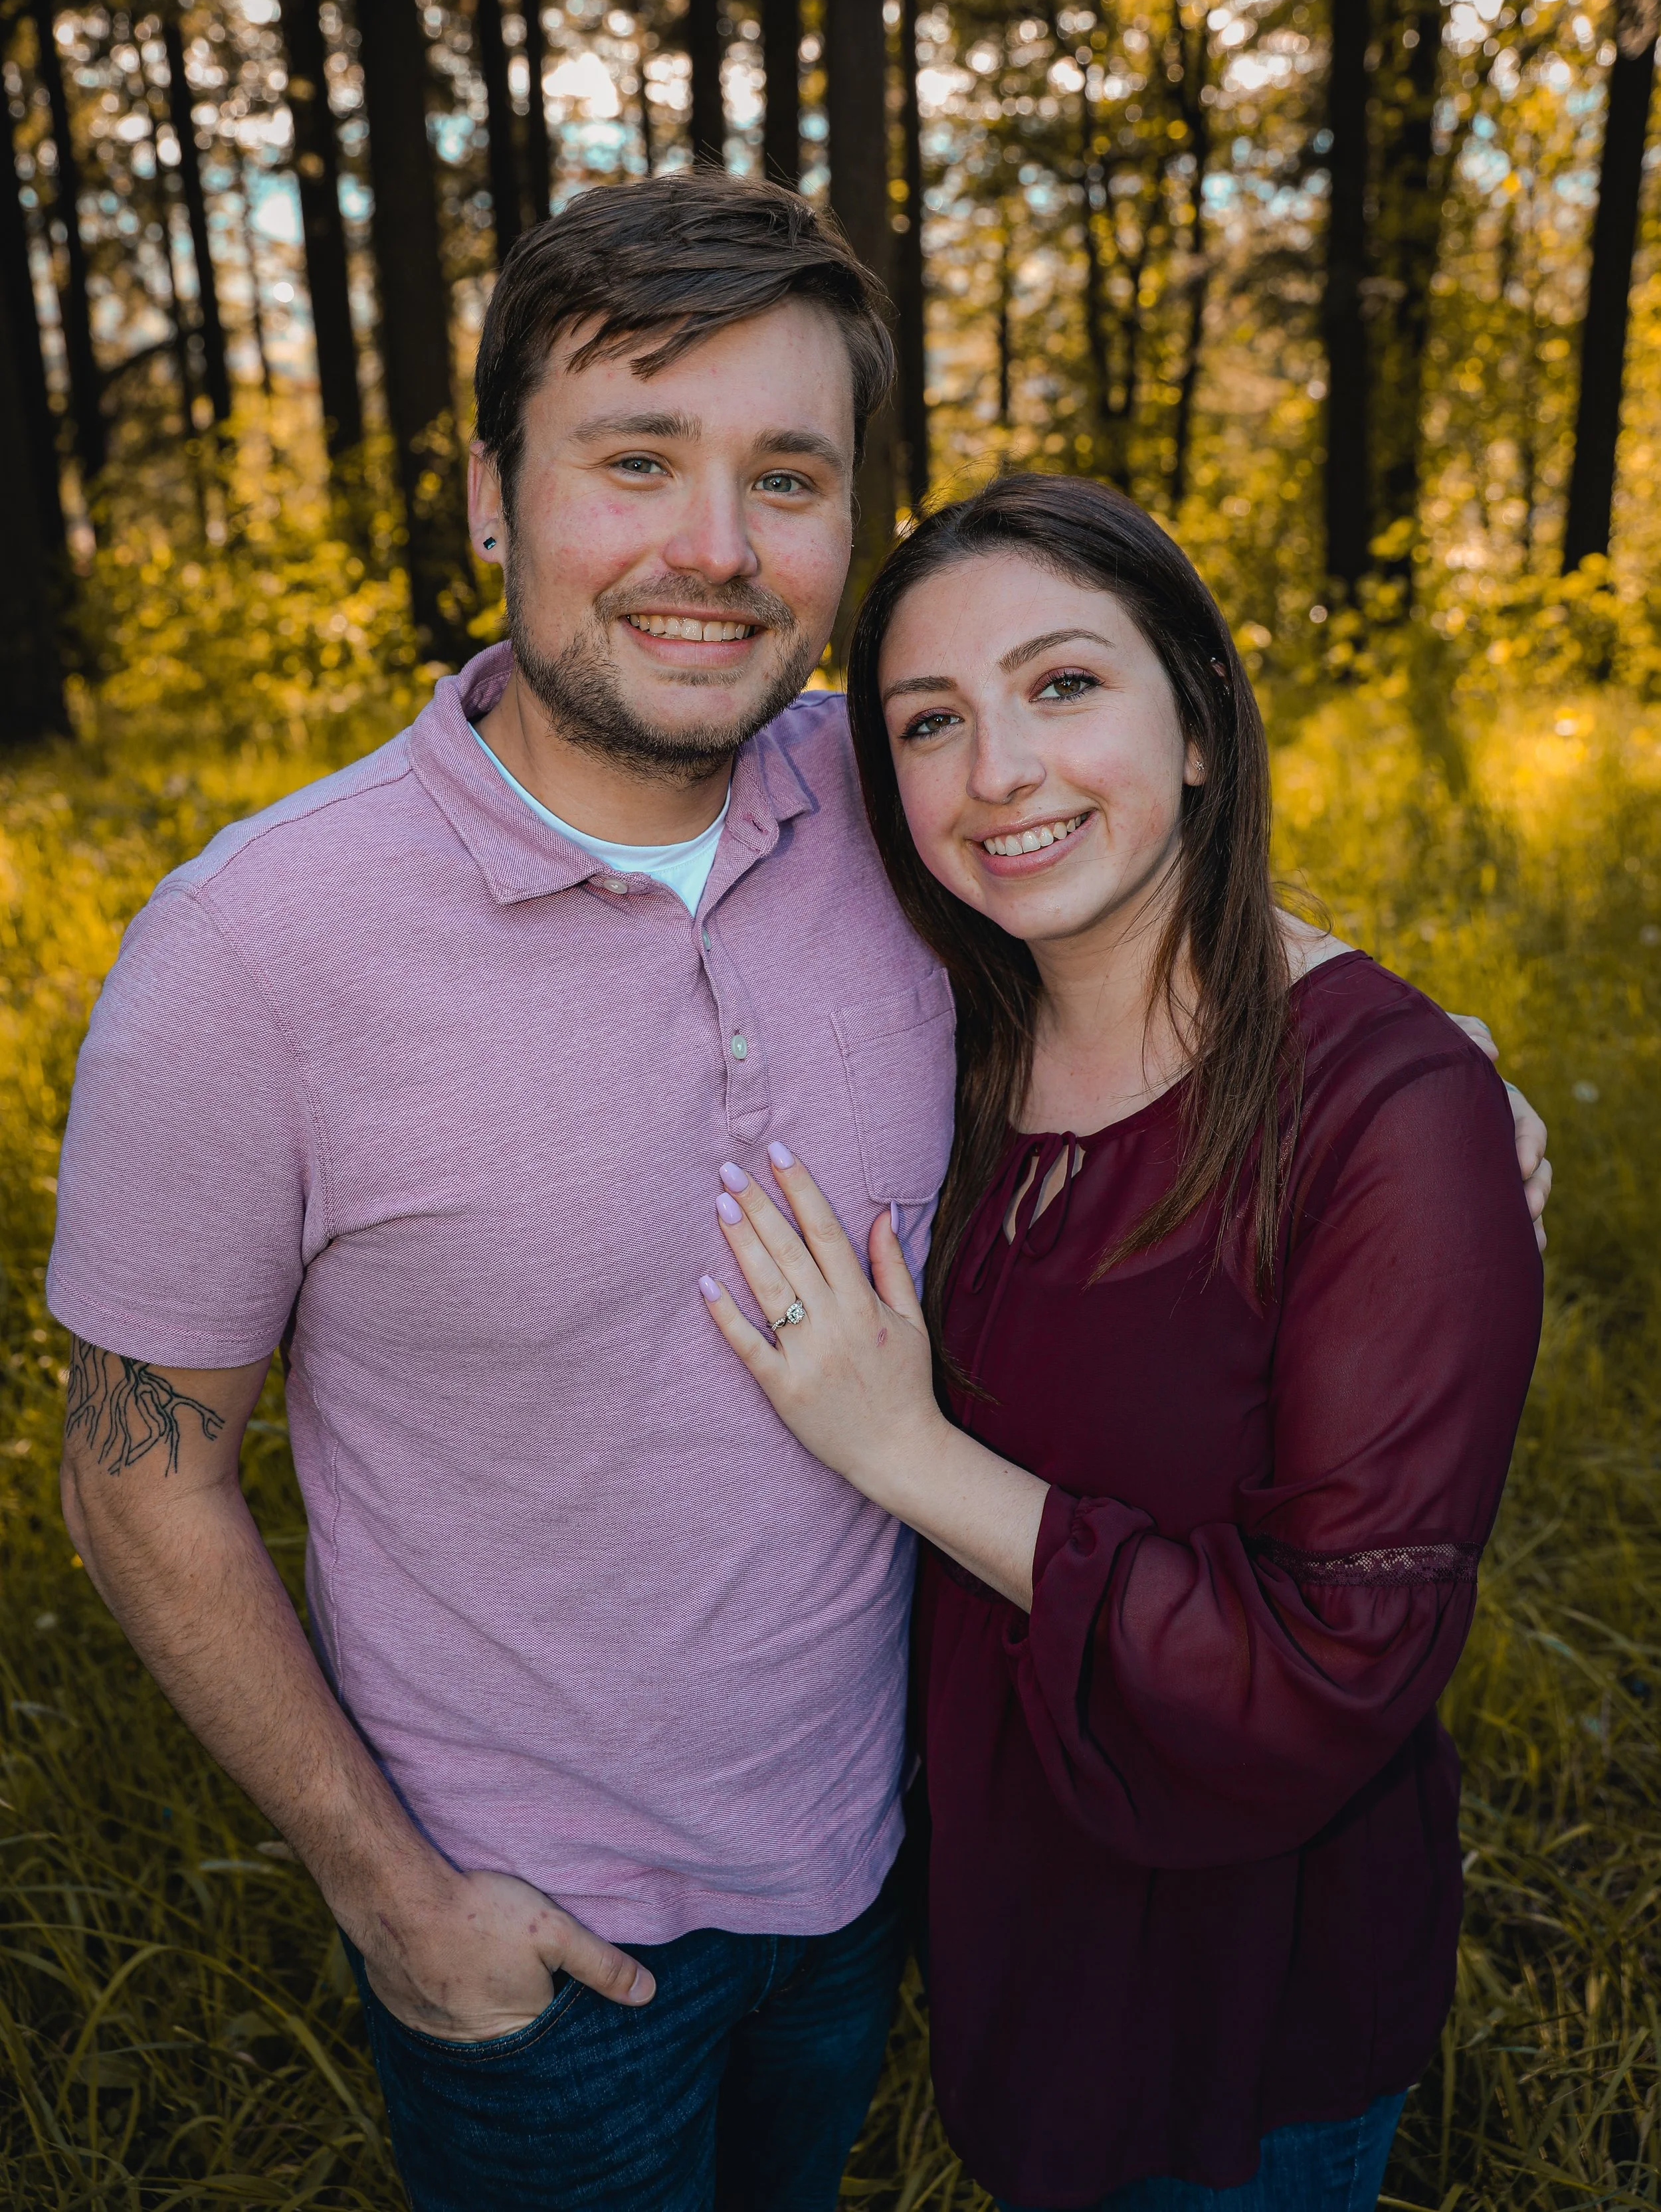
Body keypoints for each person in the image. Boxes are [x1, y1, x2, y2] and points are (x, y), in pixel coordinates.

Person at [48, 175, 1544, 2212]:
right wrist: (391, 1892)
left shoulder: (881, 788)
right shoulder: (250, 950)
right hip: (535, 1938)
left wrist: (1417, 1061)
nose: (711, 550)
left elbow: (1114, 847)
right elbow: (139, 1470)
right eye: (635, 459)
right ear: (491, 500)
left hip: (882, 1872)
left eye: (785, 475)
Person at [696, 473, 1546, 2212]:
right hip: (1017, 1925)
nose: (996, 769)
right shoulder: (958, 1056)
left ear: (1202, 727)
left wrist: (907, 1451)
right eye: (930, 722)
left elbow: (1332, 1659)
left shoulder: (1387, 1111)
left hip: (1244, 1991)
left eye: (1064, 685)